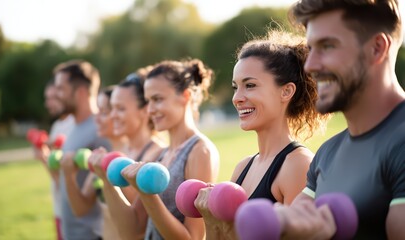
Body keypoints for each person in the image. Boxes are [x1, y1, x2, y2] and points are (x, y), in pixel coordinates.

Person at [271, 0, 405, 239]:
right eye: (311, 48)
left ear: (377, 48)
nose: (310, 65)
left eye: (328, 46)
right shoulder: (327, 153)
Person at [193, 30, 328, 239]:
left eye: (250, 85)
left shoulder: (298, 166)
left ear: (286, 92)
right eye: (235, 87)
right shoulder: (242, 168)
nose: (237, 98)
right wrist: (212, 221)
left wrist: (226, 224)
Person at [107, 59, 220, 240]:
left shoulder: (200, 151)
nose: (150, 110)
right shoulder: (162, 154)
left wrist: (147, 193)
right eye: (148, 101)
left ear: (185, 96)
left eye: (158, 99)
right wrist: (108, 180)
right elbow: (133, 228)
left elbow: (193, 237)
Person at [88, 67, 165, 239]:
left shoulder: (156, 158)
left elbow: (134, 229)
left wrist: (105, 178)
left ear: (145, 111)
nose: (113, 115)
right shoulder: (119, 153)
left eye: (120, 109)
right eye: (112, 108)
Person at [53, 59, 111, 240]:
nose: (56, 94)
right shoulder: (73, 126)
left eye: (61, 89)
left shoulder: (100, 130)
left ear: (80, 92)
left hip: (92, 235)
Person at [32, 80, 75, 240]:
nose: (48, 103)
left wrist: (45, 158)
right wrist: (44, 157)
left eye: (52, 98)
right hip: (60, 207)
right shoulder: (57, 125)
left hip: (73, 208)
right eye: (47, 98)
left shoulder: (75, 125)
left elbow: (65, 177)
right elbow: (56, 173)